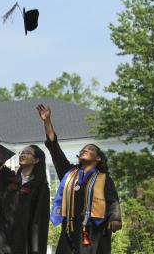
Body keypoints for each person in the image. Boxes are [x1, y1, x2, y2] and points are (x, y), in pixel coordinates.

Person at [36, 104, 121, 254]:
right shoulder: (69, 174)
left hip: (94, 232)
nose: (84, 150)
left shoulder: (103, 178)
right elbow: (55, 149)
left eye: (90, 150)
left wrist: (115, 218)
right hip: (70, 230)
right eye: (83, 149)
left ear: (98, 158)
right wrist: (47, 121)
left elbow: (112, 199)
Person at [0, 135, 50, 254]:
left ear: (36, 160)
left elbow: (40, 221)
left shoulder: (41, 188)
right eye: (22, 152)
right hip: (4, 240)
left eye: (28, 153)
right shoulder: (8, 179)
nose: (23, 154)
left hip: (25, 242)